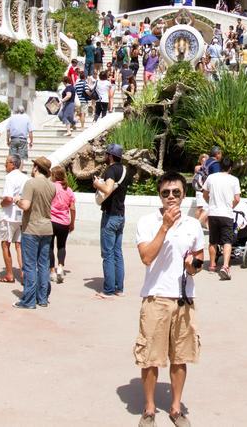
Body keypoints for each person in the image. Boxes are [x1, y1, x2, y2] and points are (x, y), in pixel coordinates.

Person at [133, 171, 205, 427]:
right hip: (156, 298)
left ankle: (175, 408)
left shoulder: (193, 225)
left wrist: (193, 265)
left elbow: (198, 260)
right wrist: (165, 226)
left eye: (176, 192)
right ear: (159, 195)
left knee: (180, 356)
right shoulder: (147, 222)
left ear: (184, 195)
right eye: (166, 193)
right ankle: (149, 408)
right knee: (150, 357)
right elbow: (146, 257)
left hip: (184, 298)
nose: (171, 197)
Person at [14, 156, 56, 309]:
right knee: (43, 264)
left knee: (30, 265)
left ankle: (29, 300)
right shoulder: (52, 186)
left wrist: (17, 200)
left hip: (32, 228)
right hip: (47, 228)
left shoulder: (31, 183)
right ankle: (42, 298)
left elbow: (25, 205)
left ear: (36, 168)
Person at [94, 144, 130, 298]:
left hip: (110, 215)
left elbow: (107, 189)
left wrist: (97, 184)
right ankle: (118, 288)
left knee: (107, 253)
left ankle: (108, 290)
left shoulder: (111, 170)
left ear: (110, 155)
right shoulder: (125, 170)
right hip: (121, 214)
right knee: (117, 252)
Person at [202, 157, 241, 280]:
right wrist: (231, 206)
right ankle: (225, 266)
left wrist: (211, 203)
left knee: (212, 240)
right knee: (227, 241)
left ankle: (212, 265)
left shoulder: (211, 178)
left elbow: (205, 194)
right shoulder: (234, 180)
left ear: (219, 166)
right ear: (230, 168)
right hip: (227, 214)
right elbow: (237, 199)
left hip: (213, 213)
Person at [0, 155, 28, 283]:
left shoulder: (9, 178)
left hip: (9, 215)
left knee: (5, 244)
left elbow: (8, 198)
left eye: (7, 163)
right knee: (19, 245)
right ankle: (23, 273)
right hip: (21, 213)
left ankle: (9, 274)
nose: (5, 165)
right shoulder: (25, 178)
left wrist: (2, 203)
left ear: (13, 164)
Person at [50, 165, 76, 284]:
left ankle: (52, 271)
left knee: (49, 246)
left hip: (51, 220)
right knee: (61, 246)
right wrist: (72, 222)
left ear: (54, 175)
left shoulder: (51, 187)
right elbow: (72, 208)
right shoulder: (68, 190)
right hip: (64, 222)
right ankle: (60, 266)